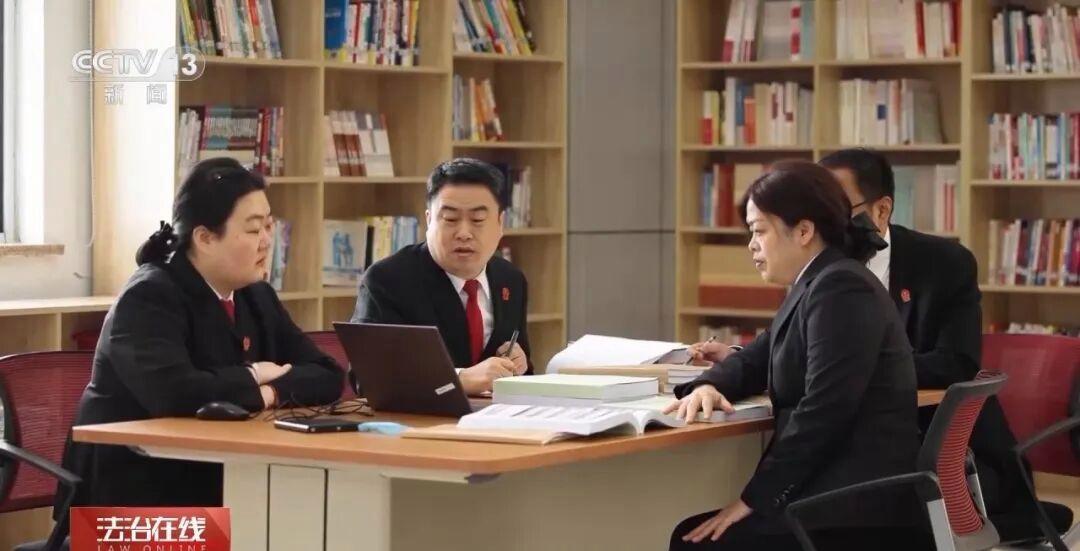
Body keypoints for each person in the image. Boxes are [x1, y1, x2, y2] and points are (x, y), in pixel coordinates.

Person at [57, 158, 343, 515]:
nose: (267, 241)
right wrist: (255, 374)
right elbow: (175, 394)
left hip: (212, 480)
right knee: (267, 530)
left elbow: (328, 374)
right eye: (254, 230)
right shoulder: (149, 297)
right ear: (205, 238)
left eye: (269, 226)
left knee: (299, 521)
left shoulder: (256, 295)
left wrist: (267, 393)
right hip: (128, 500)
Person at [666, 160, 926, 550]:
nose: (752, 245)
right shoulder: (816, 283)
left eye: (759, 231)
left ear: (804, 231)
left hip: (853, 510)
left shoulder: (840, 288)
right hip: (831, 494)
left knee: (693, 540)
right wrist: (707, 385)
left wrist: (753, 499)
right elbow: (755, 358)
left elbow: (824, 411)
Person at [818, 147, 1073, 542]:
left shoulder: (943, 264)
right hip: (849, 447)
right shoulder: (818, 265)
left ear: (881, 210)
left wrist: (859, 368)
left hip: (948, 463)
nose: (822, 225)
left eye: (835, 210)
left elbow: (957, 363)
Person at [351, 158, 530, 395]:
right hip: (417, 418)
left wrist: (518, 365)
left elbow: (525, 373)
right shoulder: (388, 281)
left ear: (500, 224)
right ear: (429, 220)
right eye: (450, 219)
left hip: (496, 416)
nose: (464, 233)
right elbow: (370, 380)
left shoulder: (511, 280)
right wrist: (459, 380)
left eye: (477, 220)